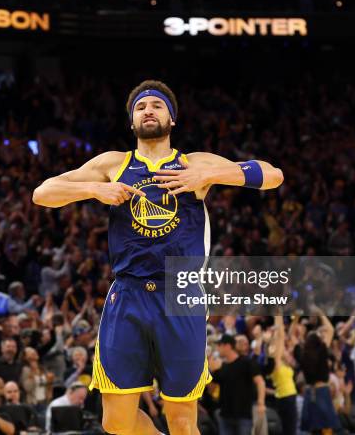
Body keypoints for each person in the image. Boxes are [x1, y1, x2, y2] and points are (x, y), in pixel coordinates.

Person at [33, 79, 283, 434]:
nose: (148, 111)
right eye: (140, 107)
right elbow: (42, 193)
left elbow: (273, 175)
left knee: (181, 421)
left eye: (157, 106)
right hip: (129, 292)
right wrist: (94, 189)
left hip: (179, 293)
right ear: (132, 122)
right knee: (116, 422)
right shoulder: (113, 164)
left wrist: (212, 173)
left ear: (172, 118)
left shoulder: (195, 163)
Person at [209, 334, 266, 435]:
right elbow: (212, 392)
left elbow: (260, 382)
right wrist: (211, 371)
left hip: (243, 416)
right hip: (225, 416)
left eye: (219, 345)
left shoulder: (246, 362)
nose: (217, 349)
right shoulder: (222, 367)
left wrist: (260, 403)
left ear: (227, 346)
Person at [296, 307, 341, 434]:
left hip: (309, 393)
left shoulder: (302, 354)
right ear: (318, 342)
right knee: (326, 430)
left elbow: (292, 338)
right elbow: (331, 329)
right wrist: (321, 312)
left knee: (313, 431)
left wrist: (295, 321)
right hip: (322, 392)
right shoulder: (321, 351)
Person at [269, 316, 298, 435]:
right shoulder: (275, 362)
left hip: (290, 397)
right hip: (285, 398)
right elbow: (280, 337)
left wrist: (295, 320)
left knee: (290, 430)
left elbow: (285, 336)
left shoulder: (285, 363)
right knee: (289, 430)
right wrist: (278, 316)